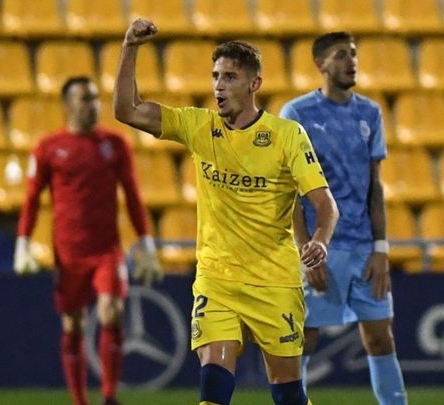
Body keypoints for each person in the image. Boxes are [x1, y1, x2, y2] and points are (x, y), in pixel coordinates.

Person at [114, 18, 339, 405]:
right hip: (217, 279)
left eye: (230, 77)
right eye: (216, 76)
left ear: (254, 84)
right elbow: (126, 110)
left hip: (274, 281)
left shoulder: (286, 136)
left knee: (288, 393)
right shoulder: (198, 126)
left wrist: (320, 241)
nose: (219, 85)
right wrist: (129, 47)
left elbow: (325, 204)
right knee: (214, 387)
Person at [13, 75, 163, 405]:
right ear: (67, 105)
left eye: (95, 98)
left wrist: (146, 244)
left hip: (107, 249)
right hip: (68, 253)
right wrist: (22, 243)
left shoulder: (115, 144)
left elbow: (133, 196)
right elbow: (32, 198)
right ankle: (79, 400)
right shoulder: (48, 148)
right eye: (86, 99)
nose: (94, 105)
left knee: (112, 312)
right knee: (73, 324)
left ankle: (109, 396)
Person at [279, 32, 408, 404]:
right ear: (320, 64)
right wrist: (306, 251)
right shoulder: (297, 114)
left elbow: (375, 186)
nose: (351, 61)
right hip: (321, 246)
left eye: (353, 54)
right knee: (305, 337)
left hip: (364, 249)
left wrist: (381, 248)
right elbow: (290, 191)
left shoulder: (370, 113)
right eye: (340, 55)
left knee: (380, 337)